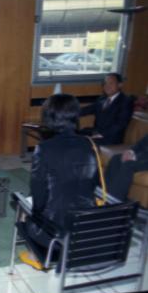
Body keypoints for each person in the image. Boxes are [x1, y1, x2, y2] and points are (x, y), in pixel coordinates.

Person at [20, 94, 98, 270]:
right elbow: (94, 184)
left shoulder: (44, 148)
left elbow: (38, 191)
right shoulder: (89, 144)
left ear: (49, 117)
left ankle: (37, 255)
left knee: (23, 208)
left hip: (55, 233)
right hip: (85, 228)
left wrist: (34, 211)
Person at [79, 73, 134, 145]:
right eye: (105, 83)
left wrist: (101, 134)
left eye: (111, 83)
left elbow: (120, 124)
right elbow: (89, 109)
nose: (107, 86)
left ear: (120, 85)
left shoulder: (126, 101)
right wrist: (70, 112)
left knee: (79, 143)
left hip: (110, 138)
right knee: (73, 135)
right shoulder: (102, 98)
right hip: (95, 132)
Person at [105, 134, 148, 201]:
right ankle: (104, 194)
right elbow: (140, 144)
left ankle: (114, 201)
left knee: (129, 164)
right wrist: (130, 152)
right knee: (116, 159)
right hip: (143, 156)